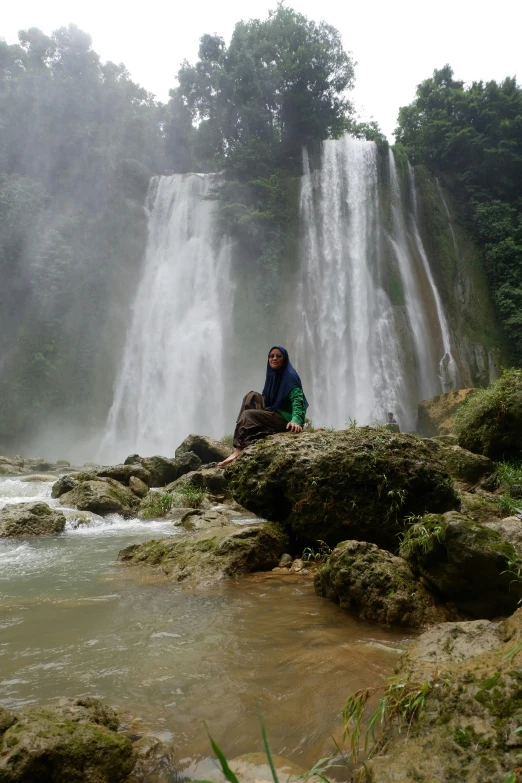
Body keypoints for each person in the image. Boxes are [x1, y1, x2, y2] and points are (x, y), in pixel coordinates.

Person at [218, 345, 308, 466]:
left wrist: (296, 420)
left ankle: (239, 449)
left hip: (286, 419)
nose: (274, 358)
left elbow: (298, 400)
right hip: (275, 411)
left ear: (284, 358)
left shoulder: (290, 376)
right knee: (251, 396)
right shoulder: (273, 375)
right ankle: (247, 434)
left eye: (278, 356)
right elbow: (267, 398)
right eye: (271, 356)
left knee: (248, 414)